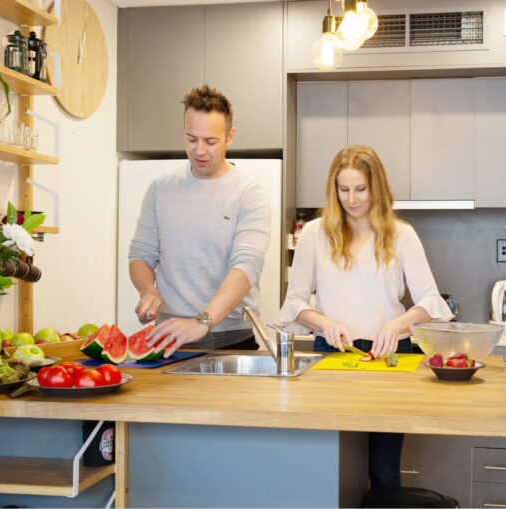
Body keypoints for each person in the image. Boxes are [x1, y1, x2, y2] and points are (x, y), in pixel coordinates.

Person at [277, 145, 452, 488]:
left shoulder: (401, 235)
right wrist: (324, 322)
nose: (352, 199)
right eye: (344, 189)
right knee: (331, 465)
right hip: (331, 356)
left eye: (361, 189)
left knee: (384, 469)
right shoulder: (314, 233)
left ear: (377, 187)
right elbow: (295, 302)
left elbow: (431, 302)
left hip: (391, 357)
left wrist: (397, 324)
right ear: (333, 189)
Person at [128, 85, 271, 357]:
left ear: (230, 137)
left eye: (210, 141)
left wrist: (203, 321)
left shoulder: (249, 194)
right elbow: (140, 255)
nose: (200, 150)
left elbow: (245, 267)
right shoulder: (161, 188)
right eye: (191, 139)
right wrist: (148, 289)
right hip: (169, 337)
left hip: (231, 340)